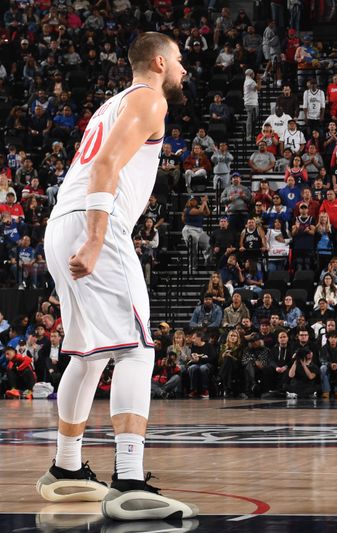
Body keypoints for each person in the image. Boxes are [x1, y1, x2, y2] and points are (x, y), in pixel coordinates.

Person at [37, 33, 197, 520]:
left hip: (62, 223)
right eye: (178, 61)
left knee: (88, 356)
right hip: (93, 224)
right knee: (135, 349)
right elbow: (106, 164)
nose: (184, 69)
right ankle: (128, 482)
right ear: (157, 62)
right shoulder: (149, 99)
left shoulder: (114, 104)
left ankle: (65, 470)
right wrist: (95, 237)